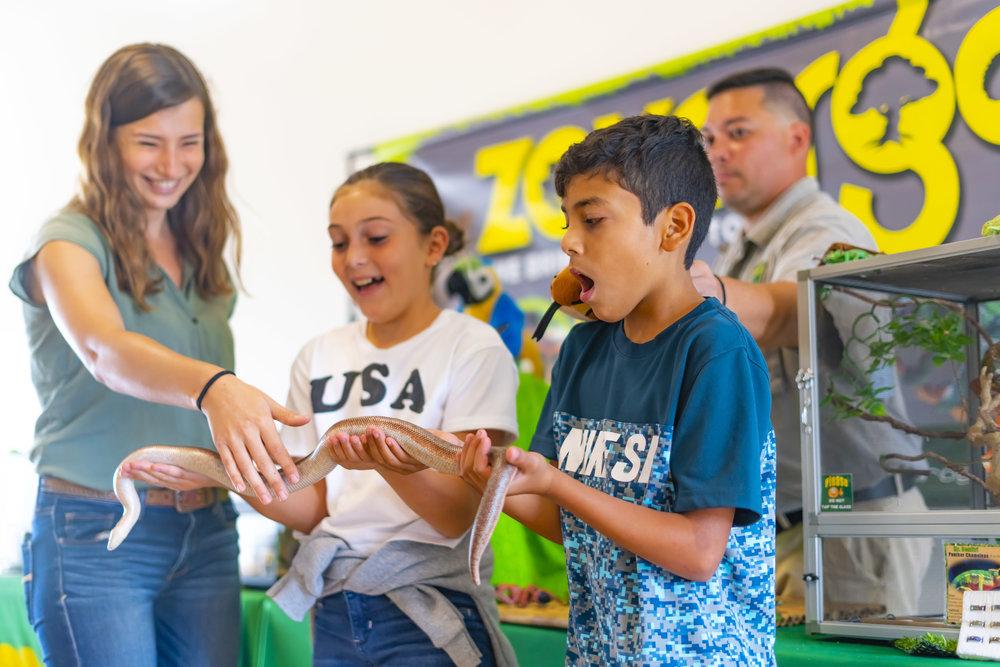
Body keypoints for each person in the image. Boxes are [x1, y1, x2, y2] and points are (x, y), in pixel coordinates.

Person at [126, 162, 520, 666]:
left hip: (433, 610)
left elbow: (458, 514)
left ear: (434, 245)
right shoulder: (318, 355)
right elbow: (312, 504)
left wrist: (387, 464)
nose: (354, 258)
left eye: (376, 237)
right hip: (336, 608)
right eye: (338, 243)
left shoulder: (474, 346)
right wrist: (220, 475)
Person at [9, 44, 308, 666]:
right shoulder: (67, 242)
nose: (172, 165)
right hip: (95, 530)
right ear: (105, 141)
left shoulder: (200, 246)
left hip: (207, 530)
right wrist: (214, 388)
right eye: (149, 142)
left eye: (189, 141)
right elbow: (104, 348)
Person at [457, 115, 776, 665]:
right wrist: (490, 483)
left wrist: (557, 483)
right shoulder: (581, 352)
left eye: (594, 220)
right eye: (566, 221)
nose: (568, 241)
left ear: (673, 228)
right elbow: (572, 524)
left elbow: (699, 553)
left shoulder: (717, 352)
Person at [692, 67, 931, 614]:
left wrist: (687, 291)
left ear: (797, 138)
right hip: (787, 534)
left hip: (855, 527)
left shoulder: (828, 230)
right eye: (709, 138)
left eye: (738, 132)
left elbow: (789, 312)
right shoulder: (741, 249)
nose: (717, 152)